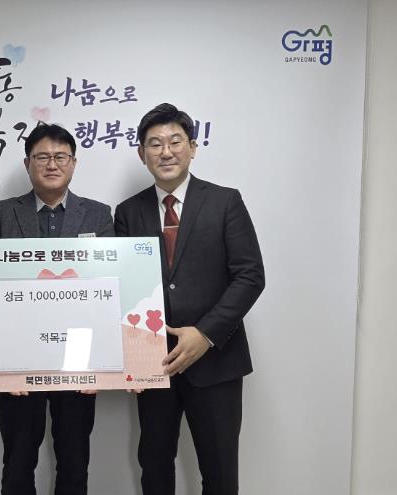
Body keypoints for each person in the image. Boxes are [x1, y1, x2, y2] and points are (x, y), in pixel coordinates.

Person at [114, 103, 265, 495]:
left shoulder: (225, 201)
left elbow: (250, 275)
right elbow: (123, 288)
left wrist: (205, 334)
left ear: (193, 148)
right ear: (141, 154)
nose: (166, 151)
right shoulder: (128, 212)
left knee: (219, 473)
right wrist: (132, 357)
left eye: (175, 141)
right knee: (154, 468)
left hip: (216, 362)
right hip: (154, 365)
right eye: (155, 144)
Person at [0, 123, 114, 495]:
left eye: (60, 156)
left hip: (79, 356)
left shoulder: (98, 215)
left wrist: (99, 364)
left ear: (74, 163)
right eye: (42, 157)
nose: (51, 164)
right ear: (27, 164)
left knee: (74, 459)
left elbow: (109, 289)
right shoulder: (3, 213)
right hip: (17, 357)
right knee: (18, 461)